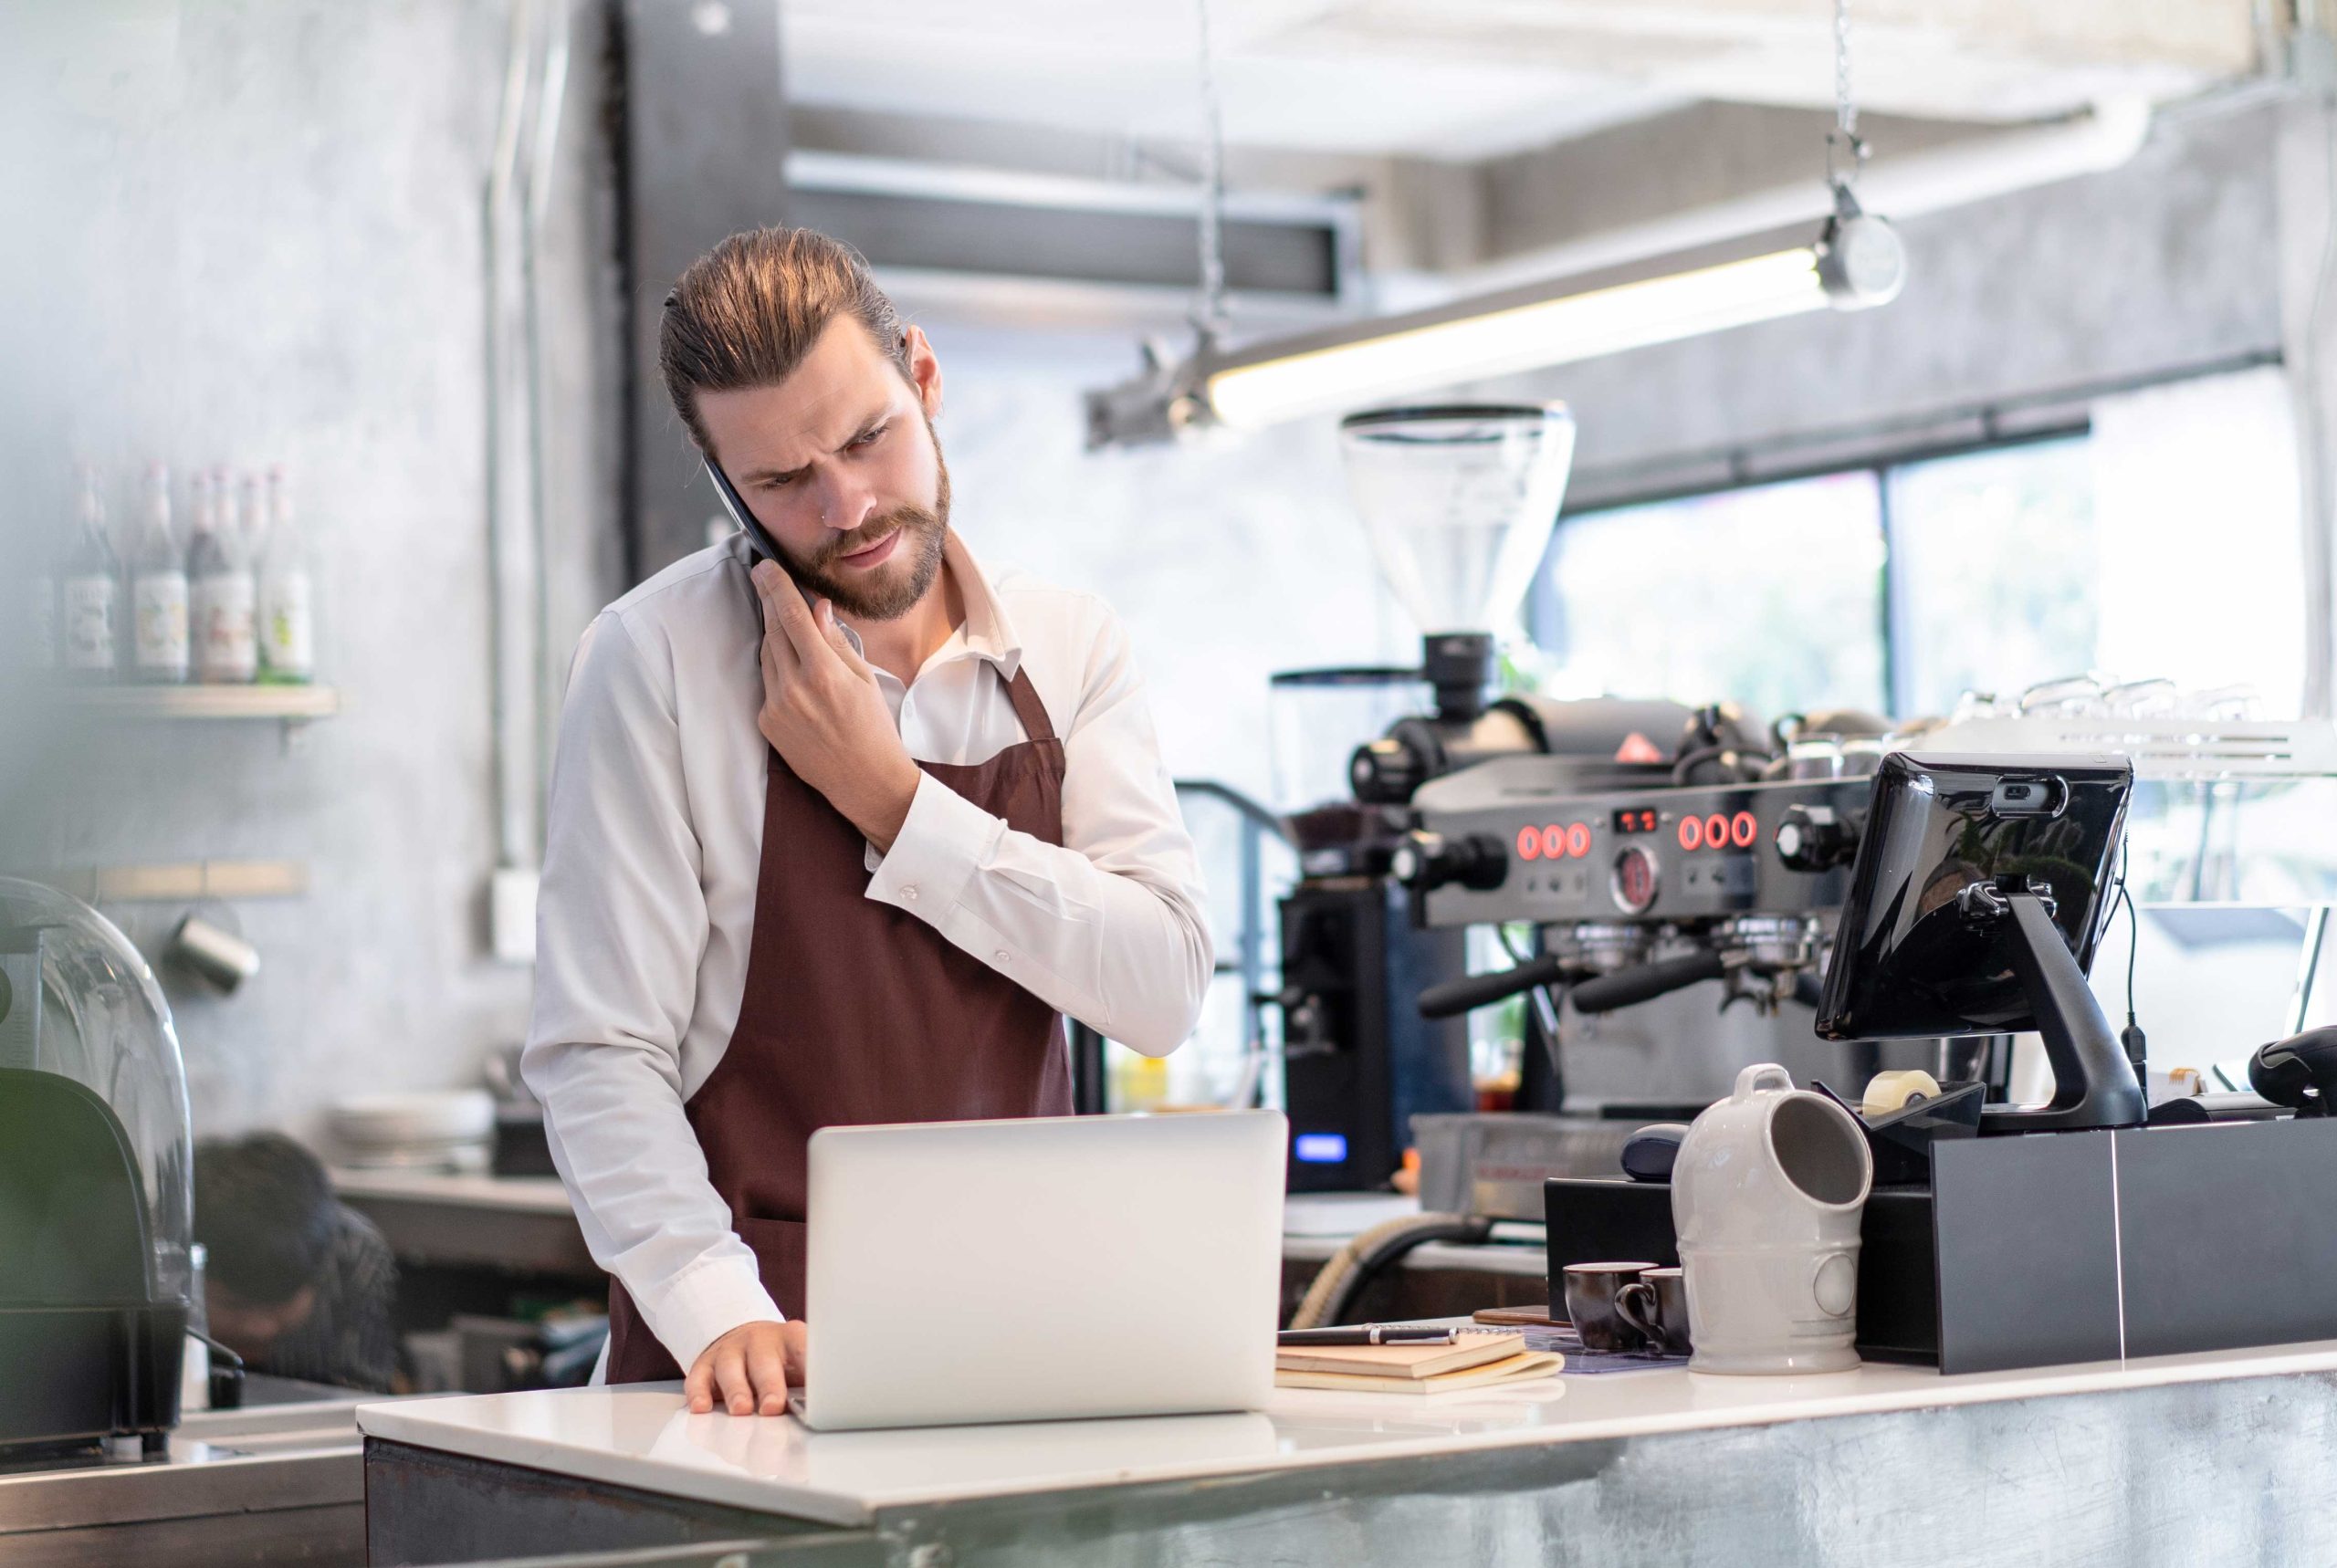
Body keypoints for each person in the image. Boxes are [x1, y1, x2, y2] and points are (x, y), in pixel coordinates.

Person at [523, 227, 1212, 1418]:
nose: (848, 508)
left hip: (1021, 1345)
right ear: (725, 481)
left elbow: (1160, 986)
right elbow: (599, 1052)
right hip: (747, 1368)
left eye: (865, 438)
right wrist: (711, 1302)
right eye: (785, 482)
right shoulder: (655, 661)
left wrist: (893, 802)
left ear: (924, 375)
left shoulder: (1070, 644)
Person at [192, 1134, 399, 1393]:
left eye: (280, 1304)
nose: (259, 1329)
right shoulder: (165, 1248)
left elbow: (362, 1399)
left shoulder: (353, 1254)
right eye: (235, 1305)